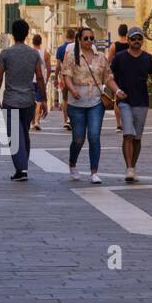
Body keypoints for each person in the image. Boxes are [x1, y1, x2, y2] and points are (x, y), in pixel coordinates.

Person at [60, 26, 117, 184]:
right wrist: (72, 90)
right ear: (79, 39)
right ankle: (72, 164)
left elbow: (108, 77)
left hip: (96, 103)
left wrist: (117, 91)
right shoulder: (72, 56)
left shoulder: (100, 57)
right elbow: (66, 76)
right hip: (76, 103)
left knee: (94, 136)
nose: (89, 41)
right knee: (78, 138)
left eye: (92, 38)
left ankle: (94, 172)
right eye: (86, 38)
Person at [0, 19, 47, 181]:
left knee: (14, 136)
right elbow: (40, 77)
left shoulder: (6, 53)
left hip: (10, 100)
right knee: (24, 133)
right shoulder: (33, 54)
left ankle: (21, 169)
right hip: (29, 100)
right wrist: (43, 99)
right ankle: (22, 168)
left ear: (13, 34)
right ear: (26, 34)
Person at [109, 26, 152, 183]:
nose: (137, 41)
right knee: (128, 134)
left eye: (139, 38)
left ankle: (132, 167)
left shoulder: (149, 58)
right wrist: (116, 91)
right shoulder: (120, 58)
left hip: (142, 101)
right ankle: (129, 168)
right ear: (128, 40)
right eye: (134, 38)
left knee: (137, 137)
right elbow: (109, 77)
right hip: (125, 101)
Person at [108, 24, 130, 133]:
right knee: (129, 99)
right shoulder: (131, 44)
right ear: (127, 32)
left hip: (117, 76)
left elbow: (108, 62)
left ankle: (118, 124)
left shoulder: (114, 46)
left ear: (118, 32)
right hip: (129, 75)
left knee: (117, 100)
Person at [56, 28, 77, 129]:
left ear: (66, 36)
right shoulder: (77, 47)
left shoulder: (60, 49)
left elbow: (57, 65)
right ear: (74, 36)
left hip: (64, 77)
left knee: (65, 99)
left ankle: (65, 120)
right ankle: (73, 119)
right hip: (76, 77)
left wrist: (56, 77)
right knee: (74, 99)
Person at [30, 35, 48, 129]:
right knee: (39, 102)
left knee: (32, 102)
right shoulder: (45, 53)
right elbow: (48, 69)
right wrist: (47, 79)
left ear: (32, 42)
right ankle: (37, 121)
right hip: (41, 80)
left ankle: (33, 122)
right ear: (41, 42)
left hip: (30, 80)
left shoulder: (29, 52)